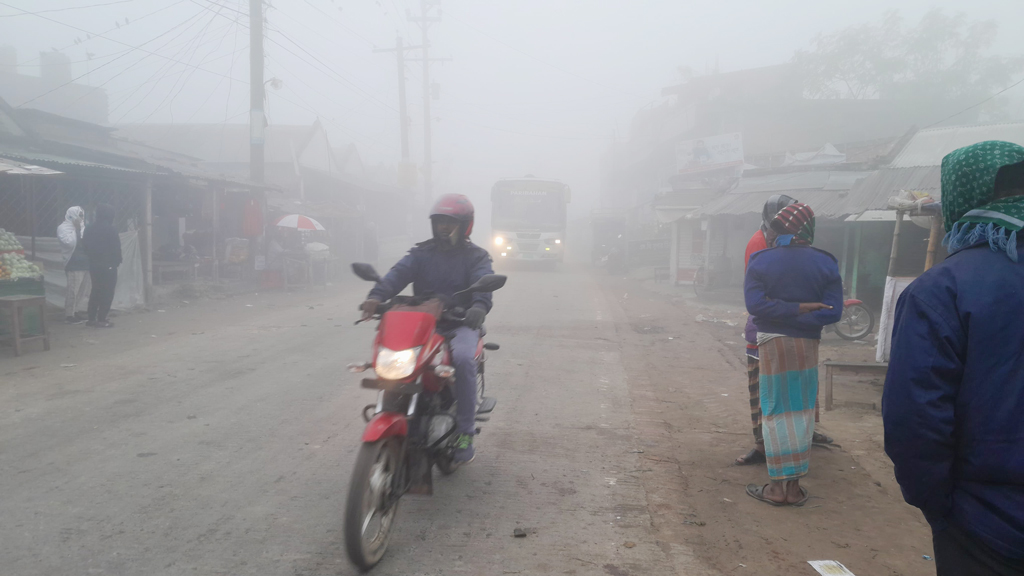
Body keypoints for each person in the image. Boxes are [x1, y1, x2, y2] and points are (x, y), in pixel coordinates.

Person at [883, 140, 1024, 575]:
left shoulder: (942, 289)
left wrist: (940, 507)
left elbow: (915, 420)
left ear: (962, 196)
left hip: (986, 526)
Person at [360, 194, 494, 463]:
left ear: (465, 225)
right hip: (422, 323)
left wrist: (478, 306)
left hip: (459, 324)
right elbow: (397, 275)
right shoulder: (421, 253)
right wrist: (376, 297)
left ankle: (466, 432)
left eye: (450, 222)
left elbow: (483, 281)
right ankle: (393, 412)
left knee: (465, 359)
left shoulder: (476, 257)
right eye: (440, 222)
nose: (443, 227)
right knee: (393, 354)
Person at [743, 203, 842, 505]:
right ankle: (794, 489)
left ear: (779, 228)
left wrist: (784, 313)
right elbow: (833, 311)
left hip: (771, 342)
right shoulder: (825, 263)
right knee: (800, 412)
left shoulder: (761, 260)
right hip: (807, 344)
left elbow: (756, 307)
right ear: (808, 229)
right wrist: (804, 310)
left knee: (774, 411)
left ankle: (775, 489)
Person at [736, 194, 797, 466]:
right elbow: (758, 294)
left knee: (790, 388)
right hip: (764, 327)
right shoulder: (758, 244)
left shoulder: (788, 242)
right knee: (760, 390)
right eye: (782, 221)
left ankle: (793, 438)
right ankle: (762, 445)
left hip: (787, 328)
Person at [82, 204, 121, 328]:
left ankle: (91, 318)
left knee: (96, 290)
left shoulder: (89, 228)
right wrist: (116, 261)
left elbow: (85, 246)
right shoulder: (111, 229)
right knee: (107, 291)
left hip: (94, 264)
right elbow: (116, 248)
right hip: (109, 264)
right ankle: (102, 319)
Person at [57, 206, 90, 324]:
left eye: (82, 215)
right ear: (72, 215)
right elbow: (69, 244)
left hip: (85, 263)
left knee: (82, 290)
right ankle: (69, 315)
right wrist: (76, 229)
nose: (81, 218)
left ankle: (76, 311)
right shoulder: (63, 228)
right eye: (79, 215)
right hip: (73, 264)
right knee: (73, 290)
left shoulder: (83, 227)